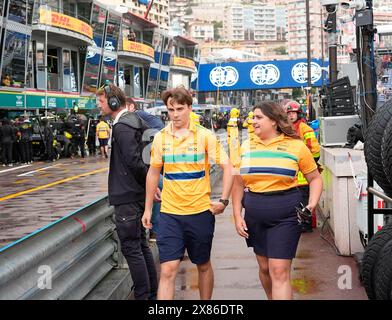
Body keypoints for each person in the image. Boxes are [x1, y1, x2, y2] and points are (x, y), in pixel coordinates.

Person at [142, 87, 234, 300]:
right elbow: (153, 172)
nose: (175, 115)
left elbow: (227, 167)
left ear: (190, 108)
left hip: (200, 213)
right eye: (170, 110)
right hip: (169, 214)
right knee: (167, 270)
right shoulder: (160, 138)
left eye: (180, 109)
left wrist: (223, 201)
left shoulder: (205, 136)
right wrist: (148, 208)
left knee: (202, 265)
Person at [231, 101, 323, 300]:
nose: (253, 121)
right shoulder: (245, 146)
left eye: (258, 117)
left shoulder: (296, 146)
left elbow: (315, 178)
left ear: (273, 121)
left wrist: (312, 204)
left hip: (286, 215)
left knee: (279, 270)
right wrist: (237, 215)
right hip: (255, 216)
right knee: (264, 268)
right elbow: (238, 183)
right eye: (252, 117)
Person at [97, 83, 157, 300]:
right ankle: (151, 294)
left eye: (101, 101)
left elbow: (134, 163)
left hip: (128, 198)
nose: (99, 105)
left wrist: (149, 186)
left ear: (113, 101)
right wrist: (149, 188)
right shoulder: (135, 121)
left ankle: (144, 296)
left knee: (132, 249)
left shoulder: (122, 126)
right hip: (138, 195)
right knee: (141, 246)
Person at [126, 98, 165, 239]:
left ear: (131, 106)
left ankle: (155, 228)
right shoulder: (141, 117)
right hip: (154, 154)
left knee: (157, 185)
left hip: (155, 154)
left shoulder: (135, 116)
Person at [285, 100, 321, 232]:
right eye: (288, 113)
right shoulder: (285, 130)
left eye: (293, 113)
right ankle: (298, 223)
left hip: (304, 175)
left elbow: (315, 150)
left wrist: (309, 165)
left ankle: (306, 224)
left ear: (298, 114)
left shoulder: (305, 129)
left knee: (305, 200)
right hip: (291, 175)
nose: (291, 116)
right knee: (294, 201)